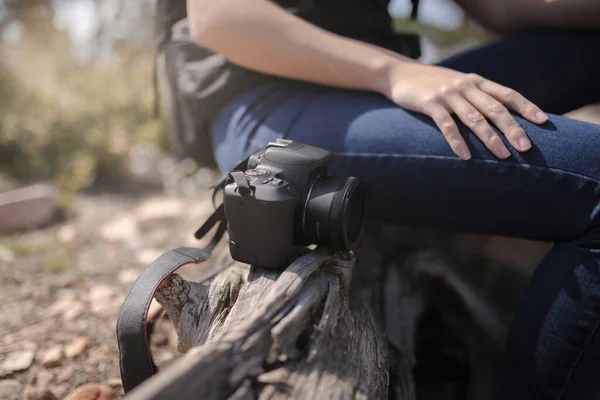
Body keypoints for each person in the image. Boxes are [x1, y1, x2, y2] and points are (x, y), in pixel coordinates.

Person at [162, 0, 600, 398]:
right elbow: (219, 18)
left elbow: (503, 10)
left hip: (369, 88)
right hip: (269, 96)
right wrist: (395, 72)